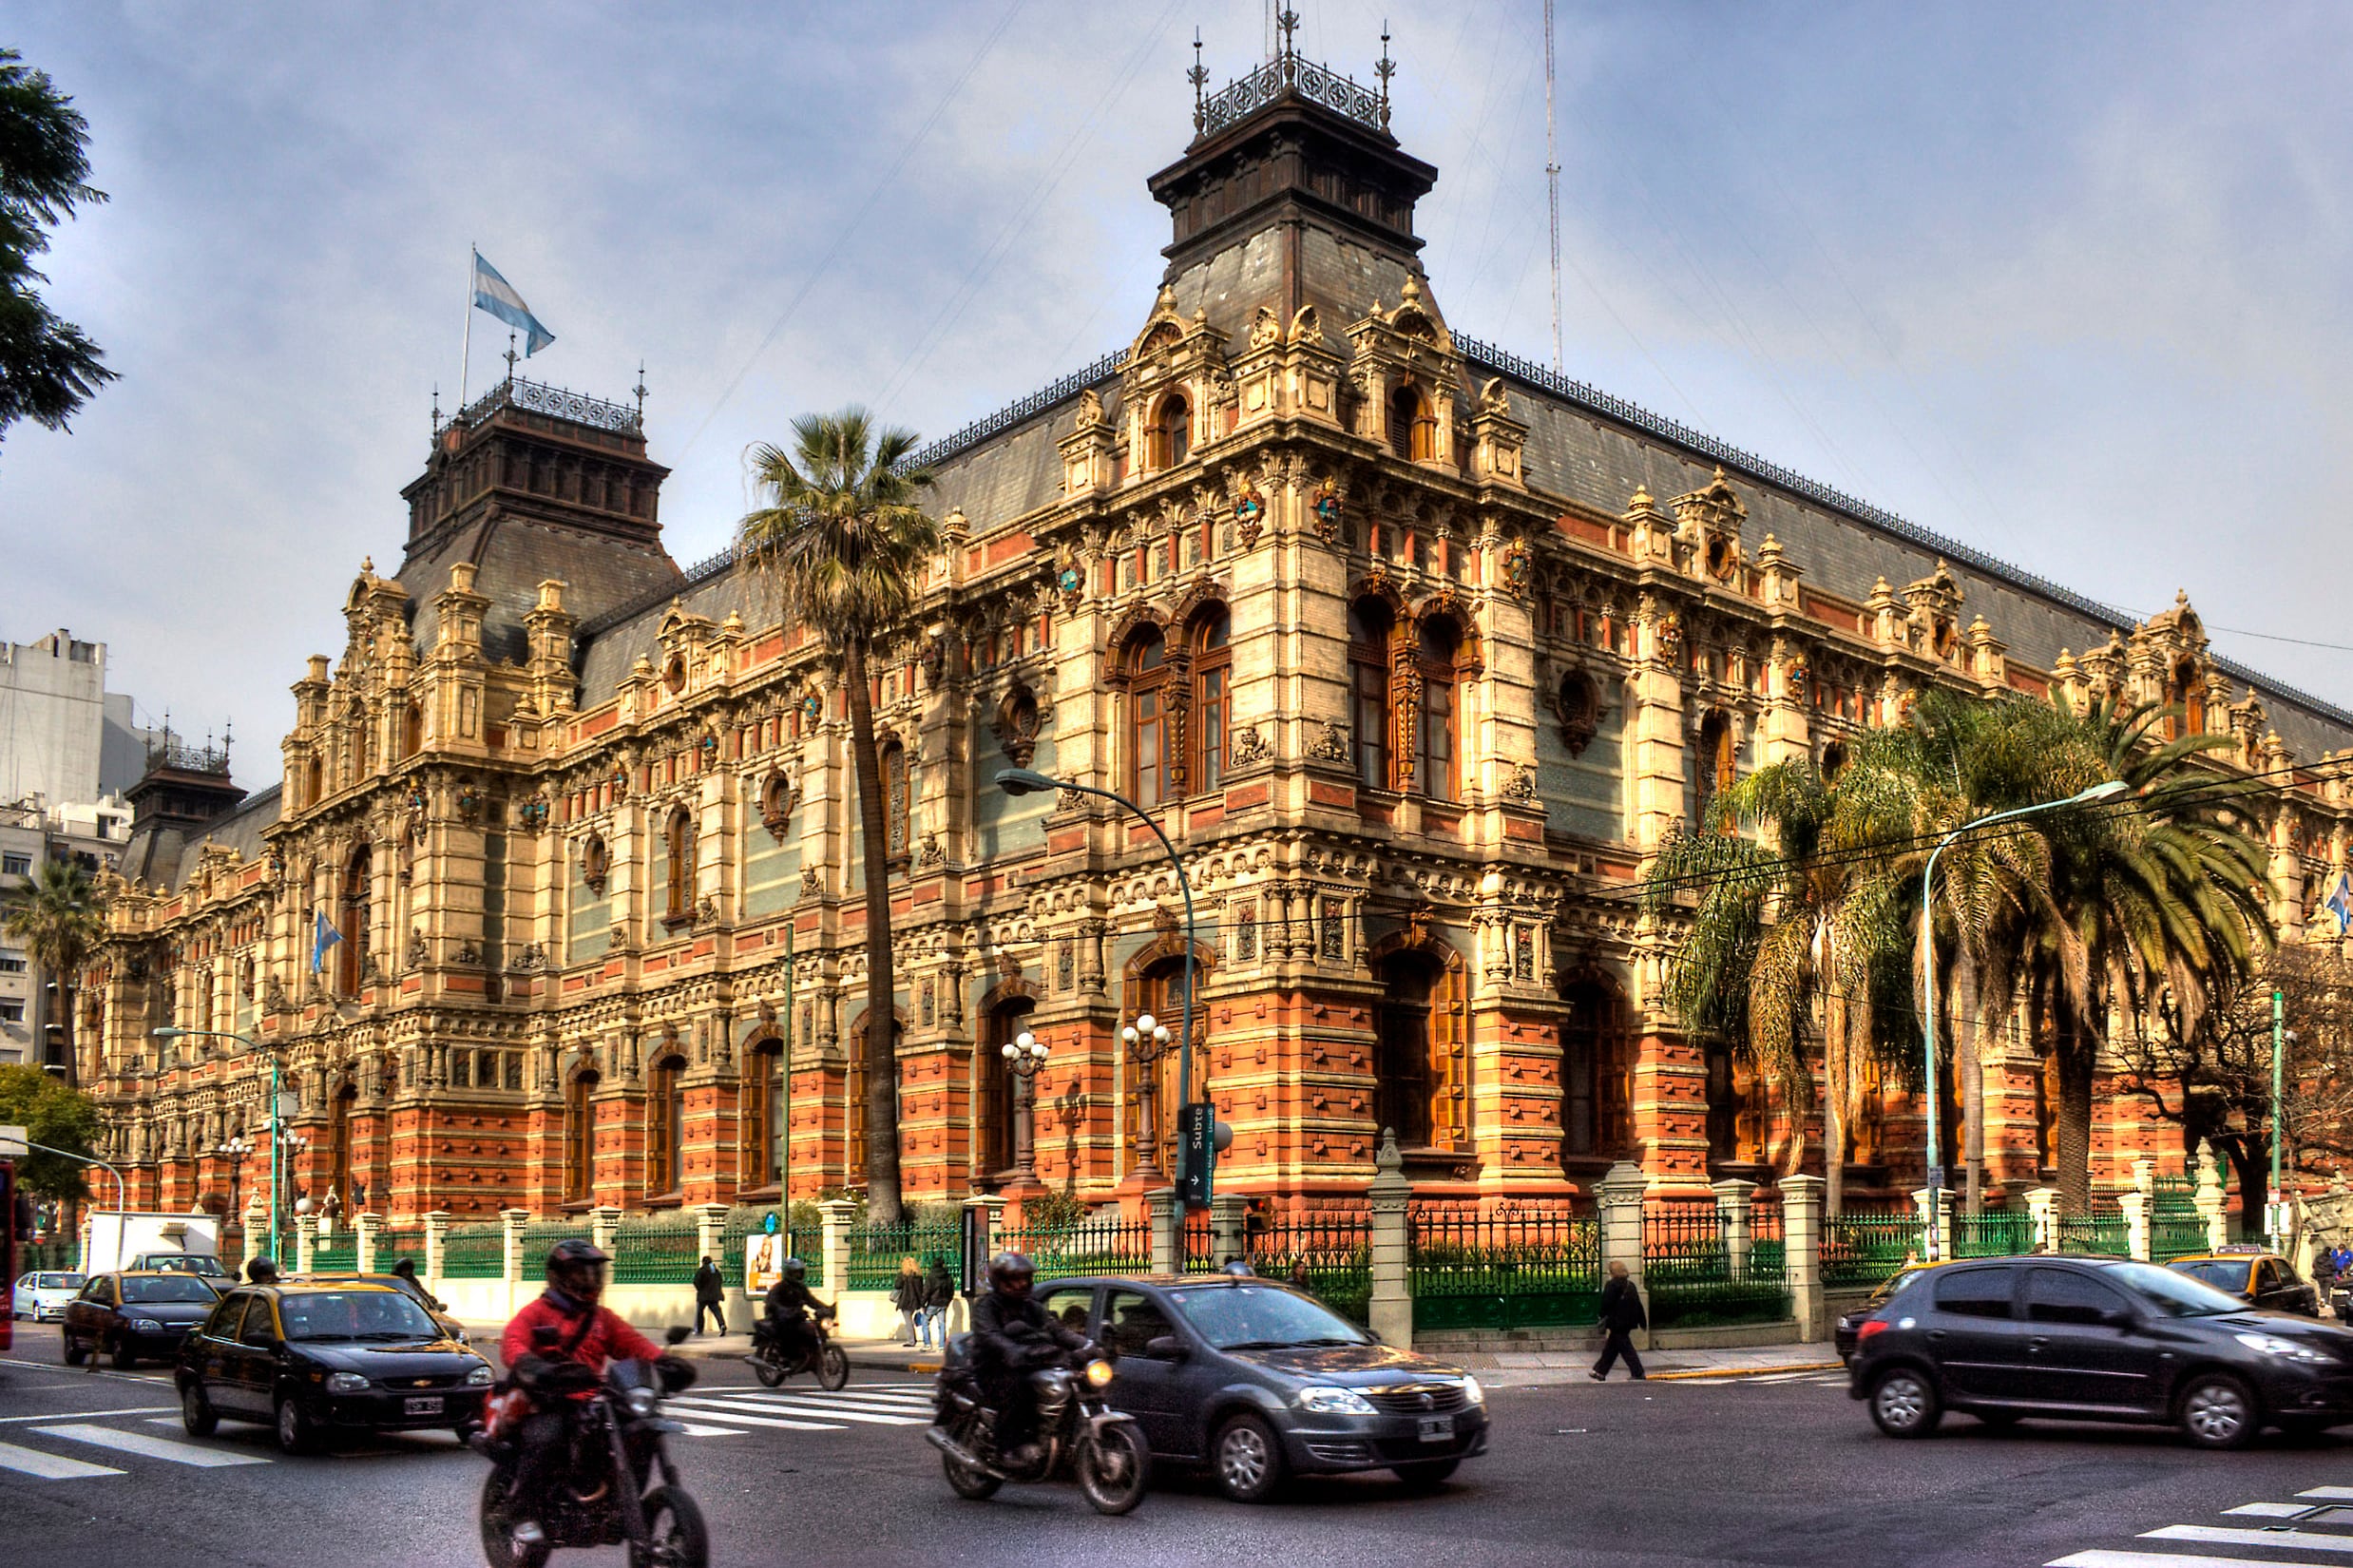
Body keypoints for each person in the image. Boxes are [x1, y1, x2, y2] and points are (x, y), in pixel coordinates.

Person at [501, 1240, 668, 1554]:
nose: (590, 1281)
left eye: (594, 1273)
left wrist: (664, 1362)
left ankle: (618, 1504)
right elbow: (513, 1342)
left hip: (592, 1401)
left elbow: (633, 1344)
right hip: (549, 1399)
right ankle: (522, 1512)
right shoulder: (537, 1312)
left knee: (640, 1429)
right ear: (560, 1277)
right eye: (581, 1274)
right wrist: (532, 1365)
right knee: (548, 1437)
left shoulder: (602, 1318)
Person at [969, 1251, 1087, 1467]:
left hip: (1027, 1363)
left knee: (1058, 1383)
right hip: (993, 1367)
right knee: (1017, 1389)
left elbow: (1056, 1331)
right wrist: (1013, 1351)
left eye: (1025, 1278)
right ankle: (1006, 1448)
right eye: (1016, 1278)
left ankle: (1044, 1437)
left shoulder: (1031, 1306)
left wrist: (1087, 1344)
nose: (1022, 1283)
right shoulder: (987, 1306)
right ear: (1001, 1280)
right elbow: (991, 1336)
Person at [760, 1257, 830, 1368]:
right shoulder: (779, 1288)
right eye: (795, 1273)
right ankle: (784, 1357)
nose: (797, 1275)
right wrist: (786, 1310)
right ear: (788, 1273)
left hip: (796, 1316)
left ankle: (807, 1355)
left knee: (811, 1328)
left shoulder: (800, 1288)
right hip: (779, 1318)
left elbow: (811, 1301)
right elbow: (773, 1303)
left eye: (799, 1272)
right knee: (789, 1332)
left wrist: (825, 1308)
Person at [1590, 1259, 1646, 1382]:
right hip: (1628, 1322)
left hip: (1616, 1322)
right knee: (1612, 1348)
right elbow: (1638, 1304)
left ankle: (1638, 1372)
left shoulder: (1612, 1285)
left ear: (1613, 1272)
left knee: (1626, 1348)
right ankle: (1600, 1371)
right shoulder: (1630, 1285)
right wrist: (1642, 1321)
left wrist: (1601, 1315)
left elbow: (1606, 1303)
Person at [919, 1254, 955, 1348]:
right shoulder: (947, 1276)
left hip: (932, 1303)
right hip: (943, 1303)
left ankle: (927, 1344)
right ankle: (942, 1345)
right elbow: (951, 1290)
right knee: (942, 1324)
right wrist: (948, 1301)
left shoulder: (930, 1276)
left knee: (925, 1322)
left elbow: (927, 1291)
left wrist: (922, 1303)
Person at [893, 1255, 926, 1347]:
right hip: (915, 1301)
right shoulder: (918, 1276)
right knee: (916, 1320)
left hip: (905, 1300)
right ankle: (923, 1339)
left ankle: (911, 1340)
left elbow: (897, 1286)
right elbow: (920, 1289)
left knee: (908, 1321)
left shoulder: (902, 1275)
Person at [692, 1254, 727, 1336]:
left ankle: (699, 1330)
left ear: (703, 1262)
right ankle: (722, 1325)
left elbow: (696, 1282)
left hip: (703, 1296)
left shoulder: (701, 1271)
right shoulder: (716, 1271)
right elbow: (720, 1281)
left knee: (700, 1313)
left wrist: (700, 1289)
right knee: (717, 1312)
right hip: (714, 1295)